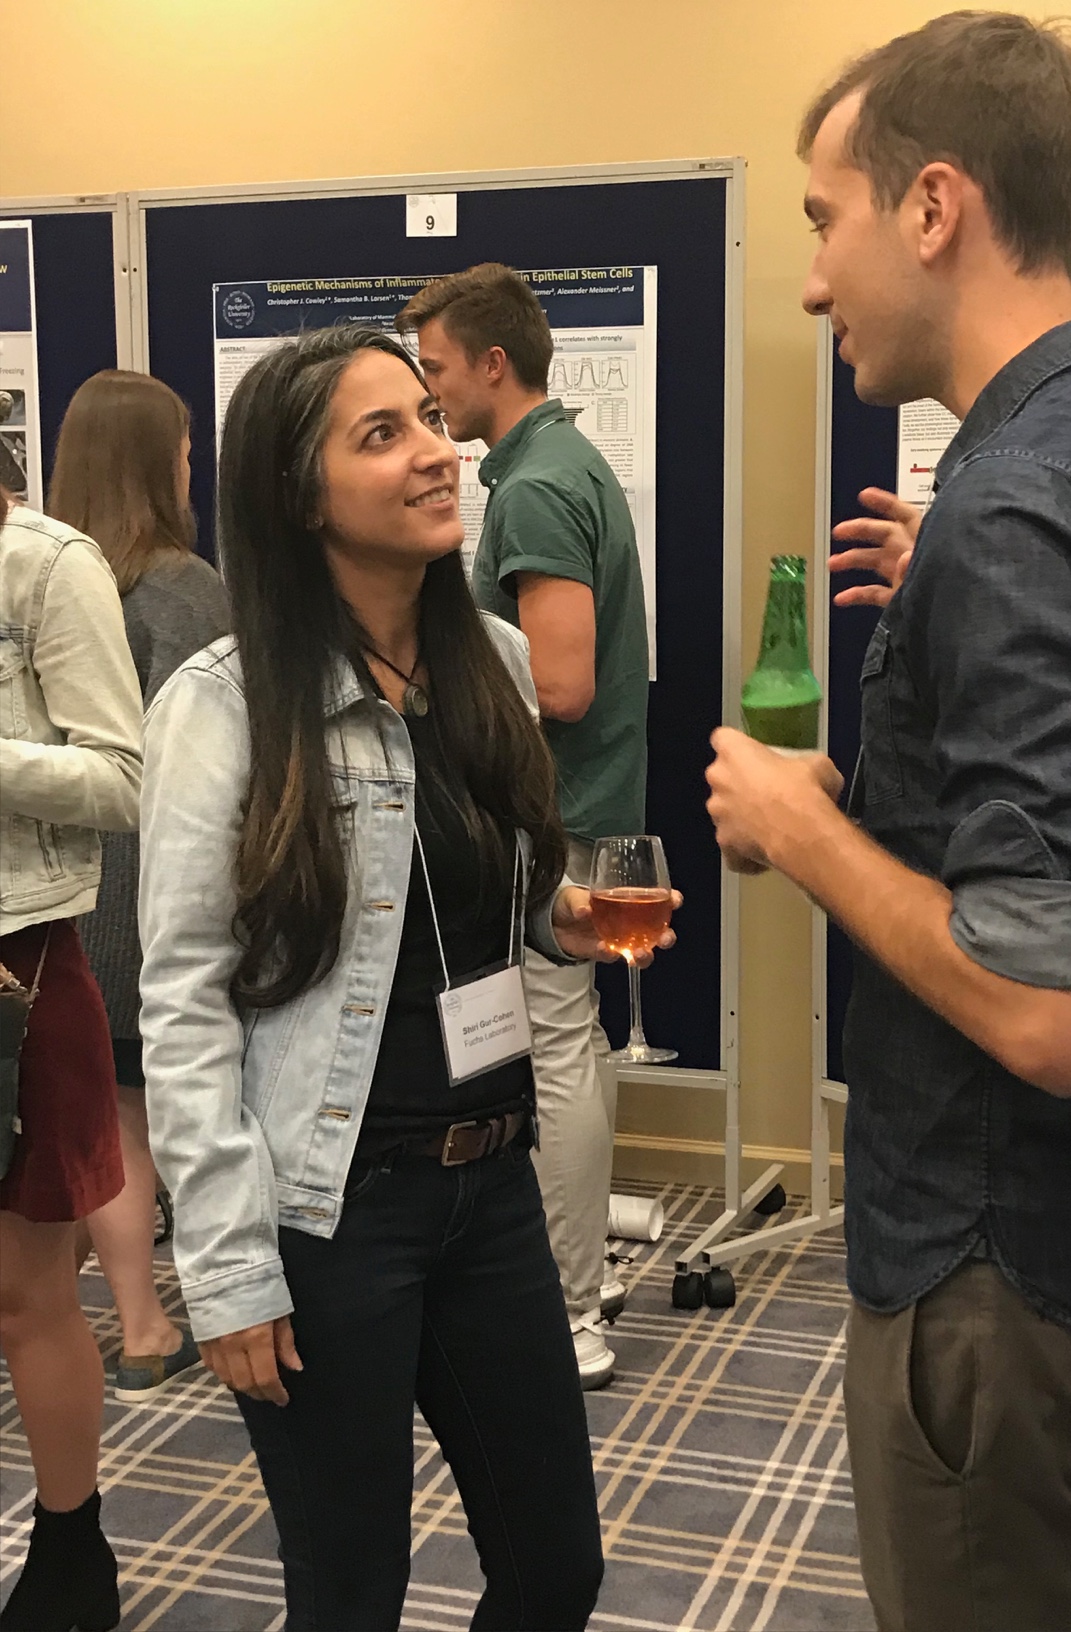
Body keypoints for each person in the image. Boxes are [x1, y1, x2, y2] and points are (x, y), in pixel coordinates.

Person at [705, 14, 1071, 1632]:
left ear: (932, 207)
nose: (811, 282)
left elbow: (1055, 1013)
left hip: (999, 1270)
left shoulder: (1019, 510)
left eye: (823, 222)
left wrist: (800, 829)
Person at [139, 325, 673, 1630]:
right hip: (330, 1212)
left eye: (430, 419)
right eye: (383, 435)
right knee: (352, 1593)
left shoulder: (493, 661)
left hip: (491, 1188)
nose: (437, 452)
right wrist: (226, 1266)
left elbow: (487, 892)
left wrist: (566, 921)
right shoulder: (227, 703)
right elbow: (186, 999)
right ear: (298, 493)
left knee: (555, 1570)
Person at [399, 265, 650, 1389]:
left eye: (437, 370)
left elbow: (558, 687)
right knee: (570, 1050)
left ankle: (571, 1313)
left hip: (557, 821)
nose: (429, 395)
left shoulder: (538, 488)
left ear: (493, 364)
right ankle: (575, 1283)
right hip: (572, 813)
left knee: (553, 1054)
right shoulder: (557, 464)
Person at [47, 369, 229, 1402]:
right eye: (187, 449)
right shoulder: (188, 594)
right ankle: (173, 1318)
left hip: (57, 897)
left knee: (99, 1111)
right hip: (155, 895)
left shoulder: (41, 585)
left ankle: (108, 1317)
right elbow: (216, 769)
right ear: (161, 463)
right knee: (165, 1109)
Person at [0, 486, 143, 1631]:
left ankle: (70, 1553)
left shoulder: (48, 566)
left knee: (25, 1295)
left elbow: (121, 780)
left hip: (17, 969)